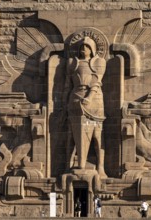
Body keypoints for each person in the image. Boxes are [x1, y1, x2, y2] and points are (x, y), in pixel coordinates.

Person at [63, 36, 107, 178]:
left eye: (87, 47)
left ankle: (100, 167)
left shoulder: (99, 62)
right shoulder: (72, 63)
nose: (83, 49)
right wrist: (64, 104)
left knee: (97, 136)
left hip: (95, 101)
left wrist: (89, 97)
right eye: (82, 46)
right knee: (71, 134)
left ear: (92, 49)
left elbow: (96, 82)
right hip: (75, 97)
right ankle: (68, 165)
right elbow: (67, 85)